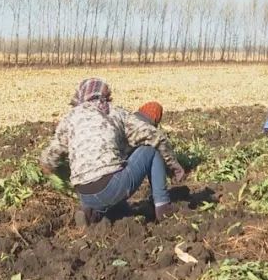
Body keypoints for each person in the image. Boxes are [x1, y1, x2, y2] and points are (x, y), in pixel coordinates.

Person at [40, 79, 187, 227]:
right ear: (105, 94)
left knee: (113, 178)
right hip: (111, 187)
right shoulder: (113, 112)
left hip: (84, 195)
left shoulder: (69, 119)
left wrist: (54, 172)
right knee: (150, 150)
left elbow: (49, 158)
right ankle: (162, 207)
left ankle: (91, 213)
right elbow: (155, 136)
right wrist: (173, 166)